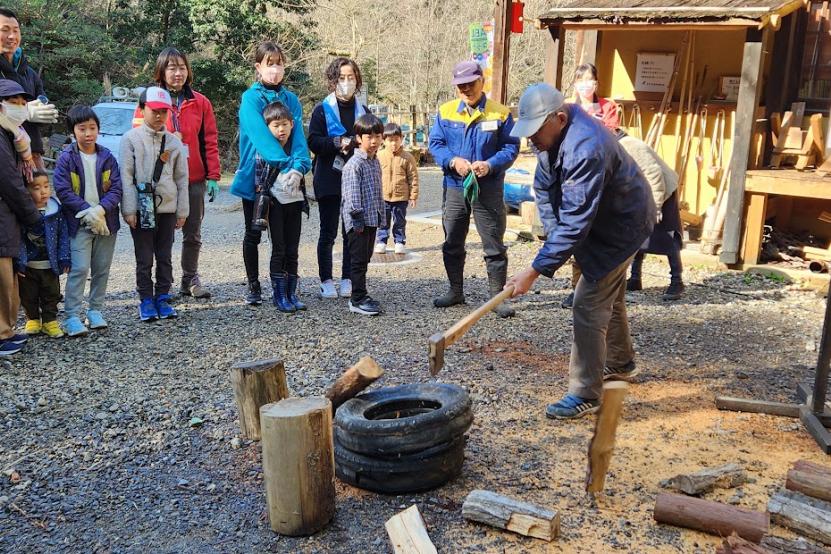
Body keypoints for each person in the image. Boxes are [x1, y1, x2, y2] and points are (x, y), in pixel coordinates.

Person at [506, 83, 654, 419]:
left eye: (536, 131)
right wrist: (553, 233)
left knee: (587, 301)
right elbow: (543, 189)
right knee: (607, 294)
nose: (531, 139)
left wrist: (534, 270)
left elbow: (576, 222)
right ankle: (620, 361)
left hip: (622, 227)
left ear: (558, 118)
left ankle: (585, 392)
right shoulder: (549, 138)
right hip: (596, 224)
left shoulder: (586, 147)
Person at [428, 60, 519, 318]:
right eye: (461, 85)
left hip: (488, 186)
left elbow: (511, 147)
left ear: (482, 81)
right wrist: (452, 161)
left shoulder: (499, 113)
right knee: (452, 239)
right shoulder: (445, 112)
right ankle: (455, 291)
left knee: (493, 242)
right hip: (456, 184)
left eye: (471, 83)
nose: (466, 89)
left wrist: (490, 165)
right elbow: (436, 143)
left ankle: (497, 298)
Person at [134, 47, 220, 299]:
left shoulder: (200, 102)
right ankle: (164, 284)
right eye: (172, 68)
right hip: (160, 180)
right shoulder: (148, 100)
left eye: (182, 67)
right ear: (161, 71)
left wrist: (213, 175)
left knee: (192, 232)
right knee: (163, 234)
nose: (177, 73)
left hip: (192, 178)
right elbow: (138, 139)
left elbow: (210, 140)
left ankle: (189, 279)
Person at [230, 41, 310, 306]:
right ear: (258, 67)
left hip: (287, 181)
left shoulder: (291, 100)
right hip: (257, 176)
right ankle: (254, 285)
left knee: (285, 237)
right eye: (269, 63)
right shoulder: (250, 98)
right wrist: (287, 165)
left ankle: (287, 288)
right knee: (253, 231)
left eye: (279, 63)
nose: (275, 69)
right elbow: (261, 137)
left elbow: (299, 139)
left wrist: (300, 167)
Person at [121, 87, 189, 322]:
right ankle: (146, 299)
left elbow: (182, 179)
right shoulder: (130, 139)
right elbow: (126, 176)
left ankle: (162, 296)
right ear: (142, 110)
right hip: (141, 210)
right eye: (154, 111)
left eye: (164, 111)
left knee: (165, 255)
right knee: (144, 256)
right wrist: (129, 209)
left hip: (167, 208)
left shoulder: (173, 142)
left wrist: (183, 211)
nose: (159, 116)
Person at [53, 106, 123, 337]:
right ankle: (72, 315)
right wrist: (88, 211)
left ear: (98, 130)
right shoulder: (67, 158)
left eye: (92, 128)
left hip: (106, 222)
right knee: (80, 269)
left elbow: (117, 188)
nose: (88, 133)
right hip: (78, 223)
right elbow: (63, 190)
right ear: (73, 131)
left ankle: (95, 311)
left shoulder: (107, 157)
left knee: (101, 269)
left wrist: (101, 210)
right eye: (82, 129)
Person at [308, 57, 368, 300]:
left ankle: (347, 278)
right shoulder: (322, 110)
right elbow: (313, 141)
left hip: (354, 180)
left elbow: (372, 141)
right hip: (328, 178)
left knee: (351, 231)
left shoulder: (363, 111)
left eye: (351, 77)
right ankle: (326, 280)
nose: (346, 82)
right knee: (328, 231)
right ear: (333, 81)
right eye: (341, 78)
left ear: (357, 80)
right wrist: (336, 142)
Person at [252, 101, 312, 313]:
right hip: (275, 205)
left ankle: (291, 293)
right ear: (267, 128)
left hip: (294, 204)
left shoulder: (297, 148)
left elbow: (305, 162)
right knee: (279, 249)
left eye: (285, 124)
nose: (281, 129)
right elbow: (259, 181)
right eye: (276, 125)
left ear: (292, 125)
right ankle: (279, 295)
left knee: (293, 250)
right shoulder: (265, 149)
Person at [616, 130, 685, 300]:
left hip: (662, 191)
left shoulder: (629, 145)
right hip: (641, 192)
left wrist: (656, 206)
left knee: (666, 235)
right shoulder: (615, 147)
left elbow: (654, 174)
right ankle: (635, 278)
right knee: (639, 233)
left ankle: (677, 281)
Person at [0, 110, 38, 355]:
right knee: (2, 278)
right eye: (12, 102)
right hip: (3, 216)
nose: (19, 106)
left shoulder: (12, 135)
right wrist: (31, 215)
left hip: (7, 217)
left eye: (23, 101)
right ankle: (2, 335)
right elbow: (9, 181)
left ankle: (7, 331)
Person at [0, 8, 58, 169]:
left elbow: (43, 98)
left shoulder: (29, 73)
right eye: (5, 30)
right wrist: (24, 112)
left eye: (15, 30)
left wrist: (44, 109)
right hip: (5, 153)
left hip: (33, 152)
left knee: (38, 194)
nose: (12, 36)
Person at [15, 171, 70, 338]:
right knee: (28, 294)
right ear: (26, 191)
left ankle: (50, 321)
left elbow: (63, 235)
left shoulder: (55, 211)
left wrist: (64, 257)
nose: (43, 191)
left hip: (49, 264)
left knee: (51, 293)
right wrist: (20, 261)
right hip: (29, 265)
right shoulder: (23, 213)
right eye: (37, 188)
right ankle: (32, 319)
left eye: (46, 186)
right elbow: (19, 239)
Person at [341, 114, 385, 316]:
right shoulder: (354, 164)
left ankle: (362, 293)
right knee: (357, 260)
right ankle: (356, 299)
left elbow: (377, 192)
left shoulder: (375, 162)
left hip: (372, 218)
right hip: (358, 222)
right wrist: (357, 221)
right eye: (369, 136)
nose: (374, 140)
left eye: (378, 135)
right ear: (359, 138)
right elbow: (351, 196)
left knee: (365, 258)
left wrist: (381, 217)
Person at [374, 123, 418, 255]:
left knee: (399, 221)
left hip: (401, 197)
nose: (393, 143)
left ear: (401, 138)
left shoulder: (407, 157)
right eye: (390, 140)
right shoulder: (379, 156)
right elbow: (375, 176)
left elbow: (413, 177)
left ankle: (399, 241)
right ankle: (381, 241)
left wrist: (413, 195)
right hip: (383, 196)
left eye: (396, 140)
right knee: (383, 220)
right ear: (383, 140)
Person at [0, 79, 35, 182]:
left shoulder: (19, 133)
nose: (19, 108)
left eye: (23, 104)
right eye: (14, 103)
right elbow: (8, 177)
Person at [572, 63, 619, 131]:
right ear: (575, 85)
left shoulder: (608, 106)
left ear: (596, 83)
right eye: (580, 80)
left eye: (589, 79)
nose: (585, 83)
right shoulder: (569, 106)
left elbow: (612, 133)